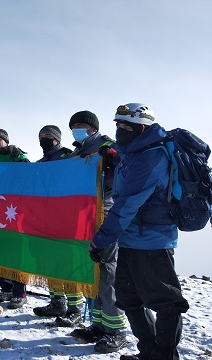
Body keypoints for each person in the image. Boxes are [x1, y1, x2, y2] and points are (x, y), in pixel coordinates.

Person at [91, 103, 189, 360]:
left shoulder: (151, 157)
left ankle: (164, 356)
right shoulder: (135, 153)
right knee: (129, 298)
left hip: (153, 241)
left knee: (166, 302)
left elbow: (127, 204)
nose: (120, 130)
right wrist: (113, 155)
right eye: (118, 125)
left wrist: (101, 239)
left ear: (142, 128)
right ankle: (148, 352)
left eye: (127, 126)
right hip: (132, 239)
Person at [62, 110, 128, 354]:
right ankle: (99, 325)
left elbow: (123, 170)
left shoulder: (109, 145)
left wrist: (111, 159)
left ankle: (117, 330)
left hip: (106, 215)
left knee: (108, 272)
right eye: (73, 125)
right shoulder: (77, 152)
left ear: (92, 127)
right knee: (94, 272)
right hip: (83, 219)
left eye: (80, 124)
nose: (76, 129)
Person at [0, 128, 30, 309]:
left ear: (6, 141)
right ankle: (6, 288)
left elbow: (29, 171)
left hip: (14, 210)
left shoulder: (15, 156)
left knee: (15, 251)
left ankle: (20, 292)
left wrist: (18, 156)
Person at [32, 125, 77, 317]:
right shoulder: (40, 163)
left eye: (47, 136)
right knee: (50, 262)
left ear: (57, 139)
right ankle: (57, 302)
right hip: (45, 220)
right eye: (41, 136)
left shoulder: (69, 157)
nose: (43, 139)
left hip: (66, 220)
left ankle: (74, 307)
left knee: (68, 264)